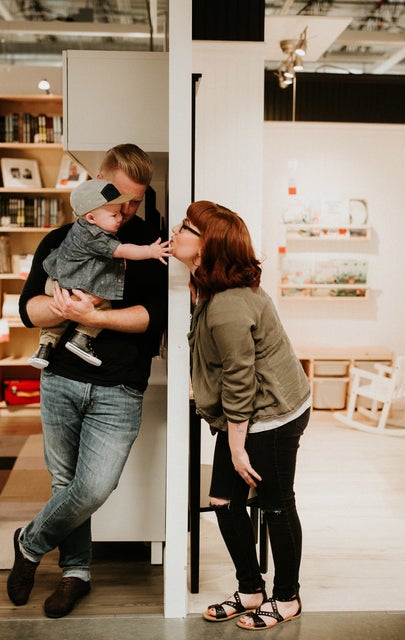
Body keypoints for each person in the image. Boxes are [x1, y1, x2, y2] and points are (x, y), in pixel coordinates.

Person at [7, 143, 167, 619]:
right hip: (60, 379)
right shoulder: (61, 239)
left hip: (120, 385)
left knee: (94, 486)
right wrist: (61, 309)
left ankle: (29, 544)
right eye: (121, 199)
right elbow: (27, 310)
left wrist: (93, 313)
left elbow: (150, 319)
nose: (128, 210)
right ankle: (76, 573)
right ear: (98, 181)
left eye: (137, 201)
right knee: (64, 484)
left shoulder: (148, 247)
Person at [171, 200, 311, 630]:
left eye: (186, 228)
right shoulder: (209, 285)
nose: (176, 232)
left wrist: (235, 446)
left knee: (276, 504)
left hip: (271, 416)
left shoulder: (229, 304)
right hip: (248, 414)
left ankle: (287, 597)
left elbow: (240, 378)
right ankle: (251, 590)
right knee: (223, 503)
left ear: (207, 246)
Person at [28, 179, 171, 368]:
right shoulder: (97, 235)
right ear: (91, 218)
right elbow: (123, 250)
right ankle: (81, 337)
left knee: (55, 325)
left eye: (135, 202)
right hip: (73, 285)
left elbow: (158, 314)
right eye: (114, 214)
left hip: (57, 279)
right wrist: (150, 251)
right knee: (104, 303)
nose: (121, 216)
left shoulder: (78, 228)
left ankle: (44, 347)